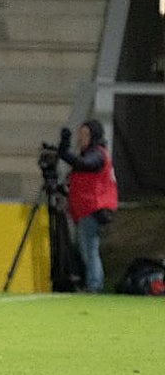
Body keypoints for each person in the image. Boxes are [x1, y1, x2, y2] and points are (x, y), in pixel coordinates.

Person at [57, 120, 118, 293]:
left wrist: (64, 151)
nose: (81, 139)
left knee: (89, 249)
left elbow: (84, 165)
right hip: (87, 208)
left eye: (85, 135)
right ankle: (93, 283)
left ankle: (94, 285)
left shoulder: (97, 155)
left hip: (92, 207)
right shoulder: (96, 154)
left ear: (94, 136)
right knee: (87, 249)